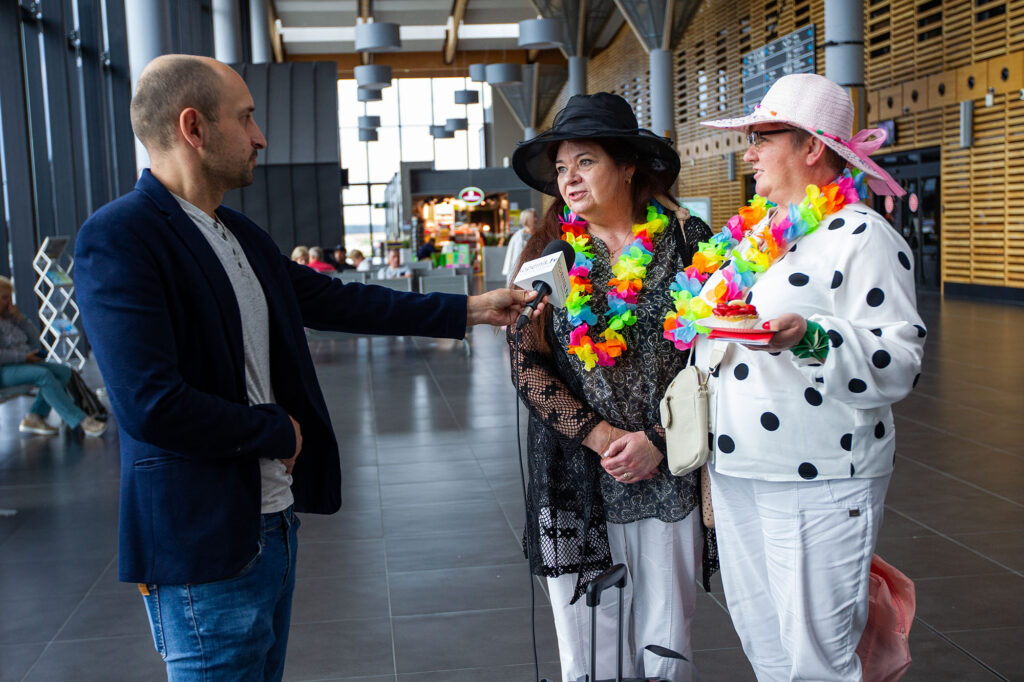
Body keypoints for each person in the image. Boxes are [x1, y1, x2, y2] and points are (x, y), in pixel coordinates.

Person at [73, 54, 543, 682]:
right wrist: (278, 431)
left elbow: (335, 298)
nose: (260, 136)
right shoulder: (120, 236)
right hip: (203, 545)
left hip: (271, 522)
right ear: (194, 127)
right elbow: (148, 404)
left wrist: (471, 308)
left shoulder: (234, 232)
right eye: (246, 118)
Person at [689, 73, 926, 679]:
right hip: (738, 468)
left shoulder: (865, 236)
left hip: (818, 475)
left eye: (762, 137)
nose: (748, 152)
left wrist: (810, 336)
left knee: (816, 657)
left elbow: (899, 360)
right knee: (765, 643)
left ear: (812, 147)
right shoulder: (759, 238)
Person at [508, 92, 714, 682]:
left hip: (667, 466)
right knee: (588, 653)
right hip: (577, 474)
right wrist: (599, 436)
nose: (568, 178)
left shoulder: (685, 243)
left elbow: (715, 355)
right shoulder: (549, 252)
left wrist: (654, 438)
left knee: (666, 642)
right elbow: (527, 365)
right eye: (562, 167)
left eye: (586, 161)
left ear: (628, 165)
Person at [0, 276, 107, 437]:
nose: (9, 302)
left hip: (22, 363)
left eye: (9, 297)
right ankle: (81, 421)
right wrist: (24, 357)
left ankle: (35, 416)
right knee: (43, 375)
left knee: (64, 371)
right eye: (4, 298)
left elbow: (34, 338)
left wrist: (20, 319)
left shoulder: (9, 318)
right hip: (5, 370)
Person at [501, 208, 536, 281]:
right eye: (533, 217)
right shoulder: (518, 237)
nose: (536, 219)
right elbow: (514, 258)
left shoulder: (539, 234)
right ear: (527, 220)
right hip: (522, 273)